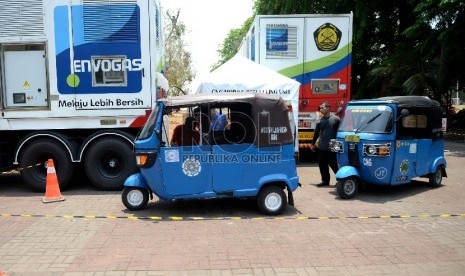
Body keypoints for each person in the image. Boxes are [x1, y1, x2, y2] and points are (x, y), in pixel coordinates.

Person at [310, 101, 340, 187]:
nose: (321, 109)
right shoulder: (320, 121)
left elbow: (340, 132)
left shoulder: (336, 119)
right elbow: (316, 133)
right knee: (322, 164)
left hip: (334, 144)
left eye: (323, 107)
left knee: (334, 163)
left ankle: (340, 180)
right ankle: (325, 181)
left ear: (328, 108)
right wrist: (313, 144)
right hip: (322, 145)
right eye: (320, 108)